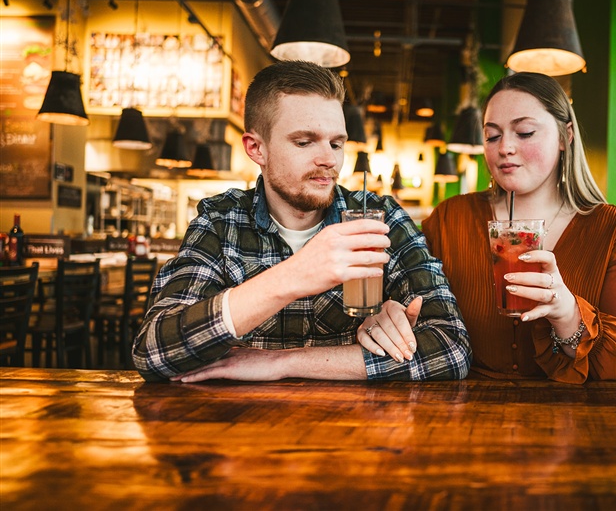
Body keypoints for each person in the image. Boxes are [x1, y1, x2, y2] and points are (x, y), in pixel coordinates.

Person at [132, 60, 470, 383]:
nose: (329, 160)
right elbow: (154, 353)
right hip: (241, 421)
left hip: (354, 421)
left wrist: (281, 362)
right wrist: (292, 277)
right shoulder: (222, 221)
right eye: (304, 142)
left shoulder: (380, 218)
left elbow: (451, 348)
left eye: (336, 144)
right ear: (256, 148)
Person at [368, 71, 616, 382]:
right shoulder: (449, 219)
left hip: (574, 412)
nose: (505, 147)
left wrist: (569, 316)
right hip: (463, 408)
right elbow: (404, 309)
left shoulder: (615, 231)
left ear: (565, 137)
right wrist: (388, 317)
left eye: (524, 132)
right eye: (492, 136)